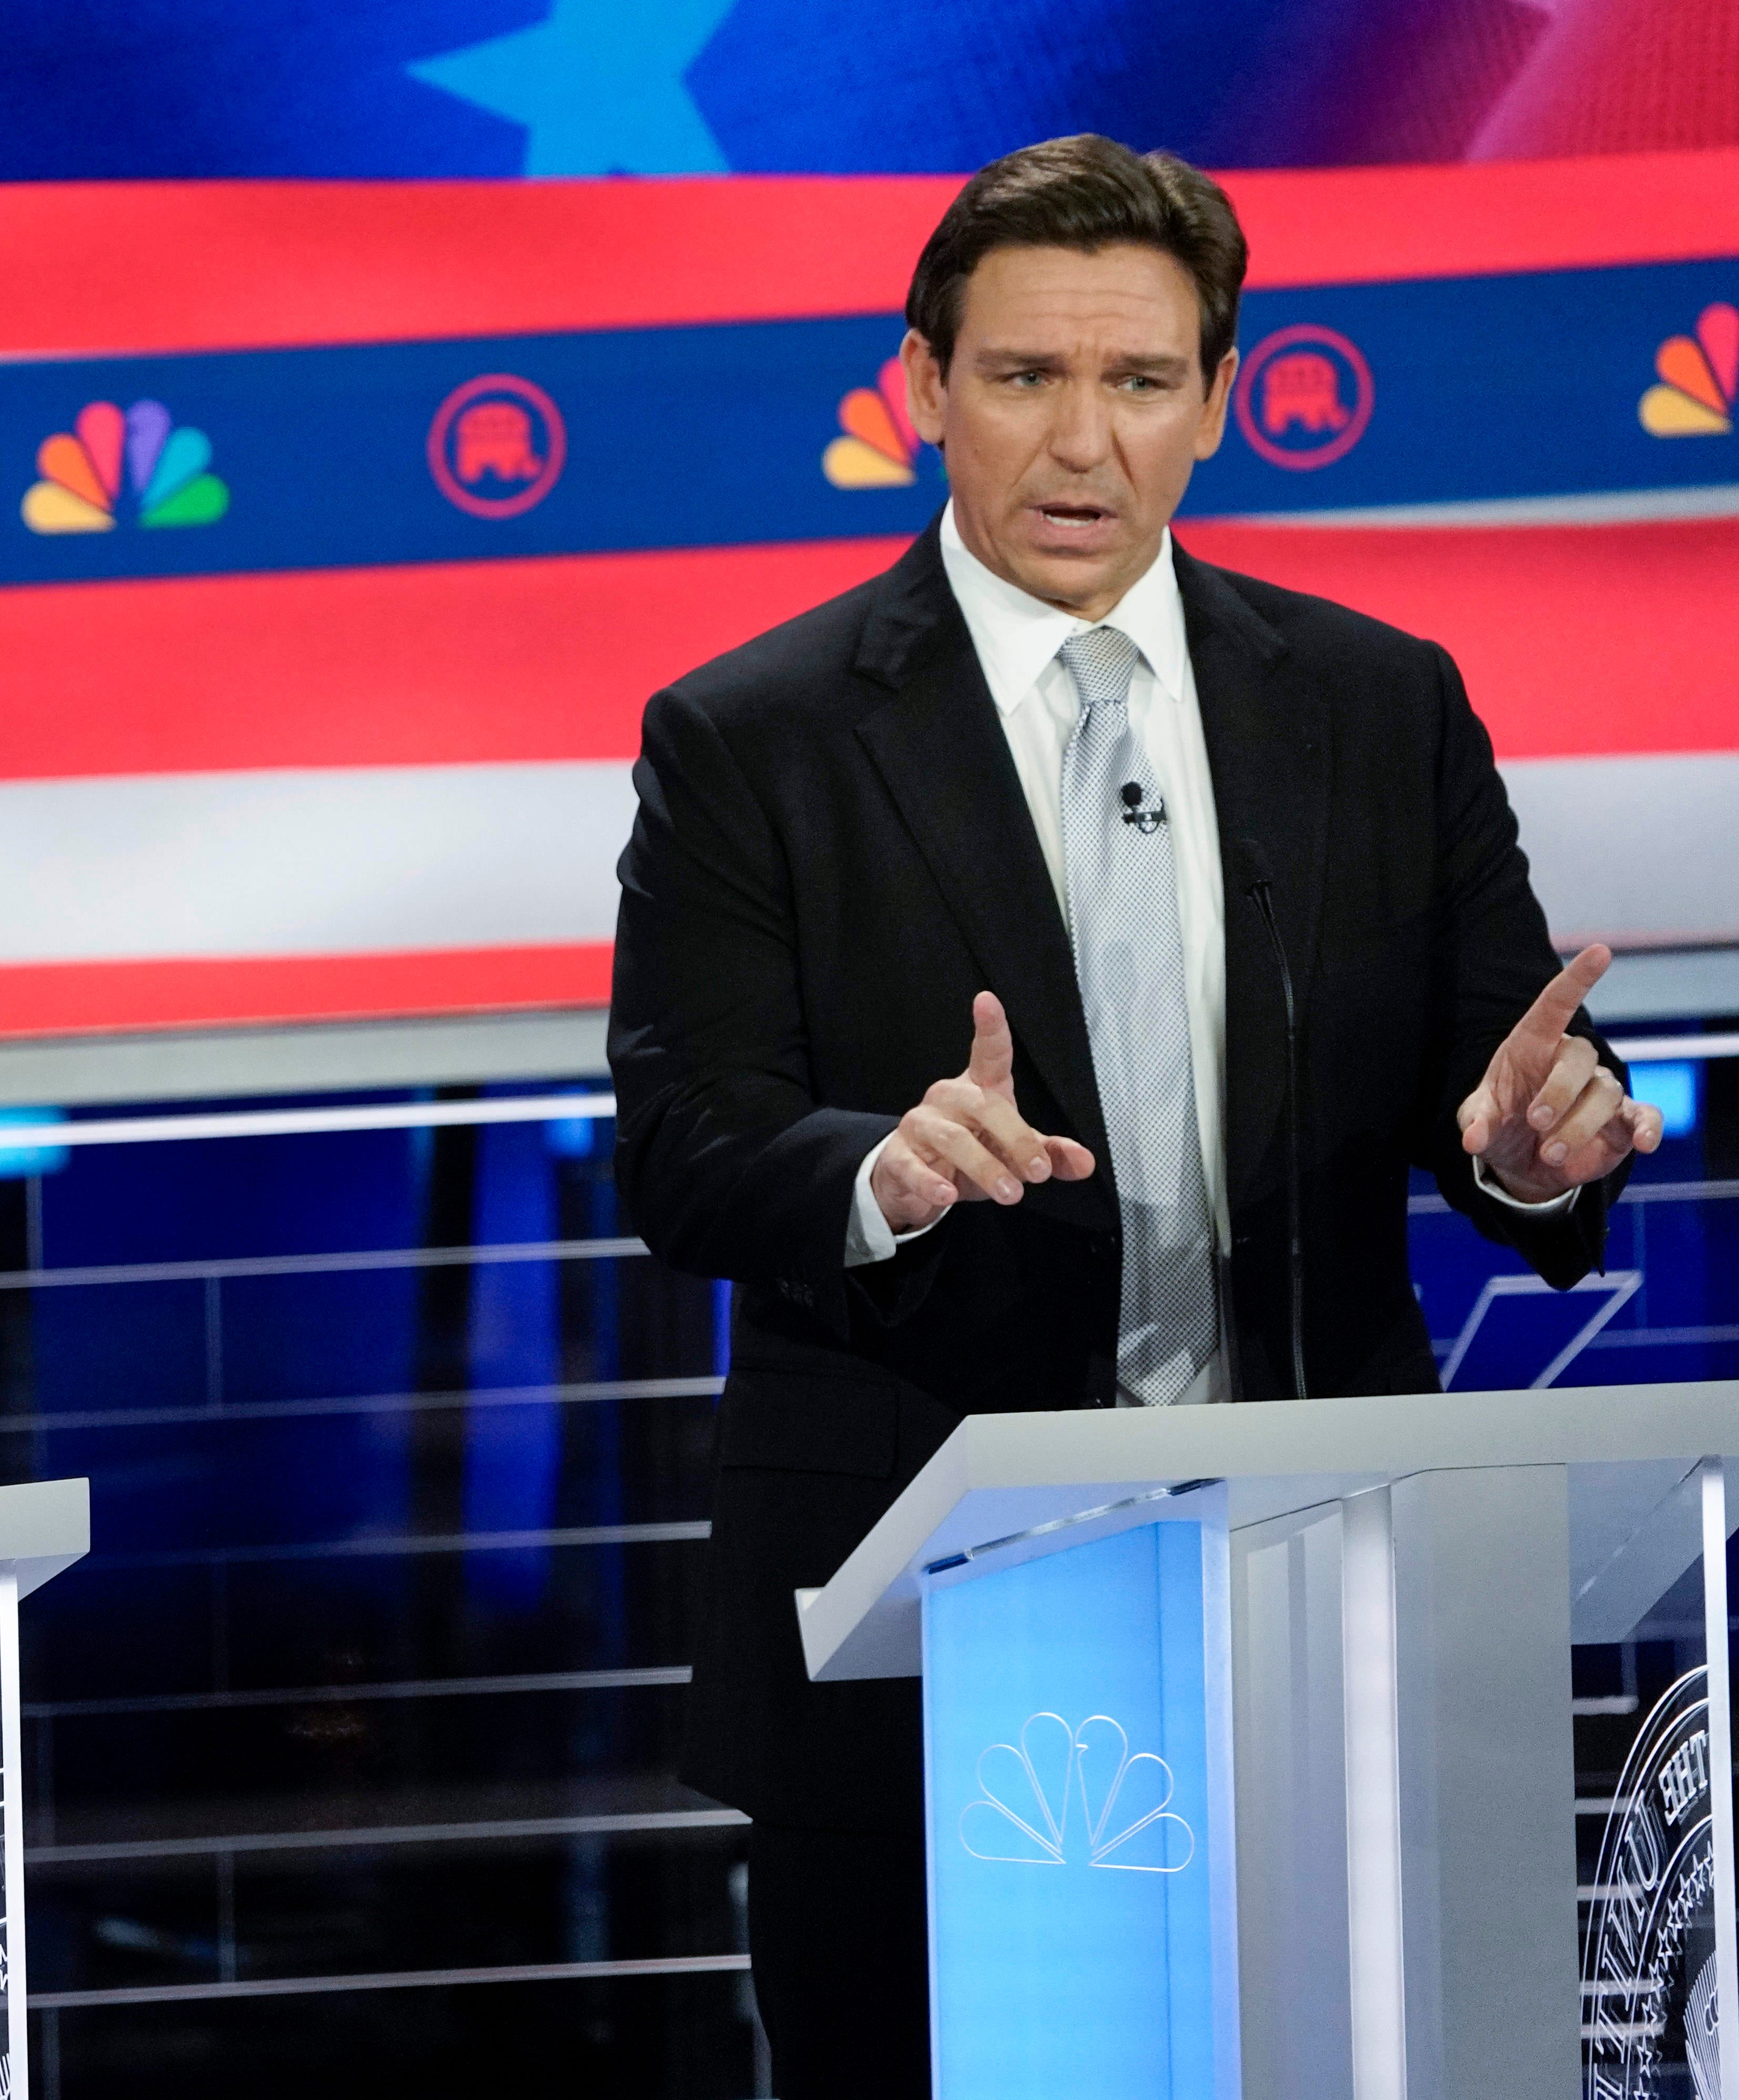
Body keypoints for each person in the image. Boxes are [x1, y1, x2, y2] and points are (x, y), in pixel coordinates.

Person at [607, 135, 1662, 2094]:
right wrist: (880, 1171)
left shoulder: (1375, 704)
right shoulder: (753, 736)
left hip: (1317, 1610)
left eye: (1140, 381)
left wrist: (1528, 1156)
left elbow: (1492, 1086)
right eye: (1022, 379)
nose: (1079, 440)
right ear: (923, 387)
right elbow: (681, 1143)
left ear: (1219, 401)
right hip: (913, 1643)